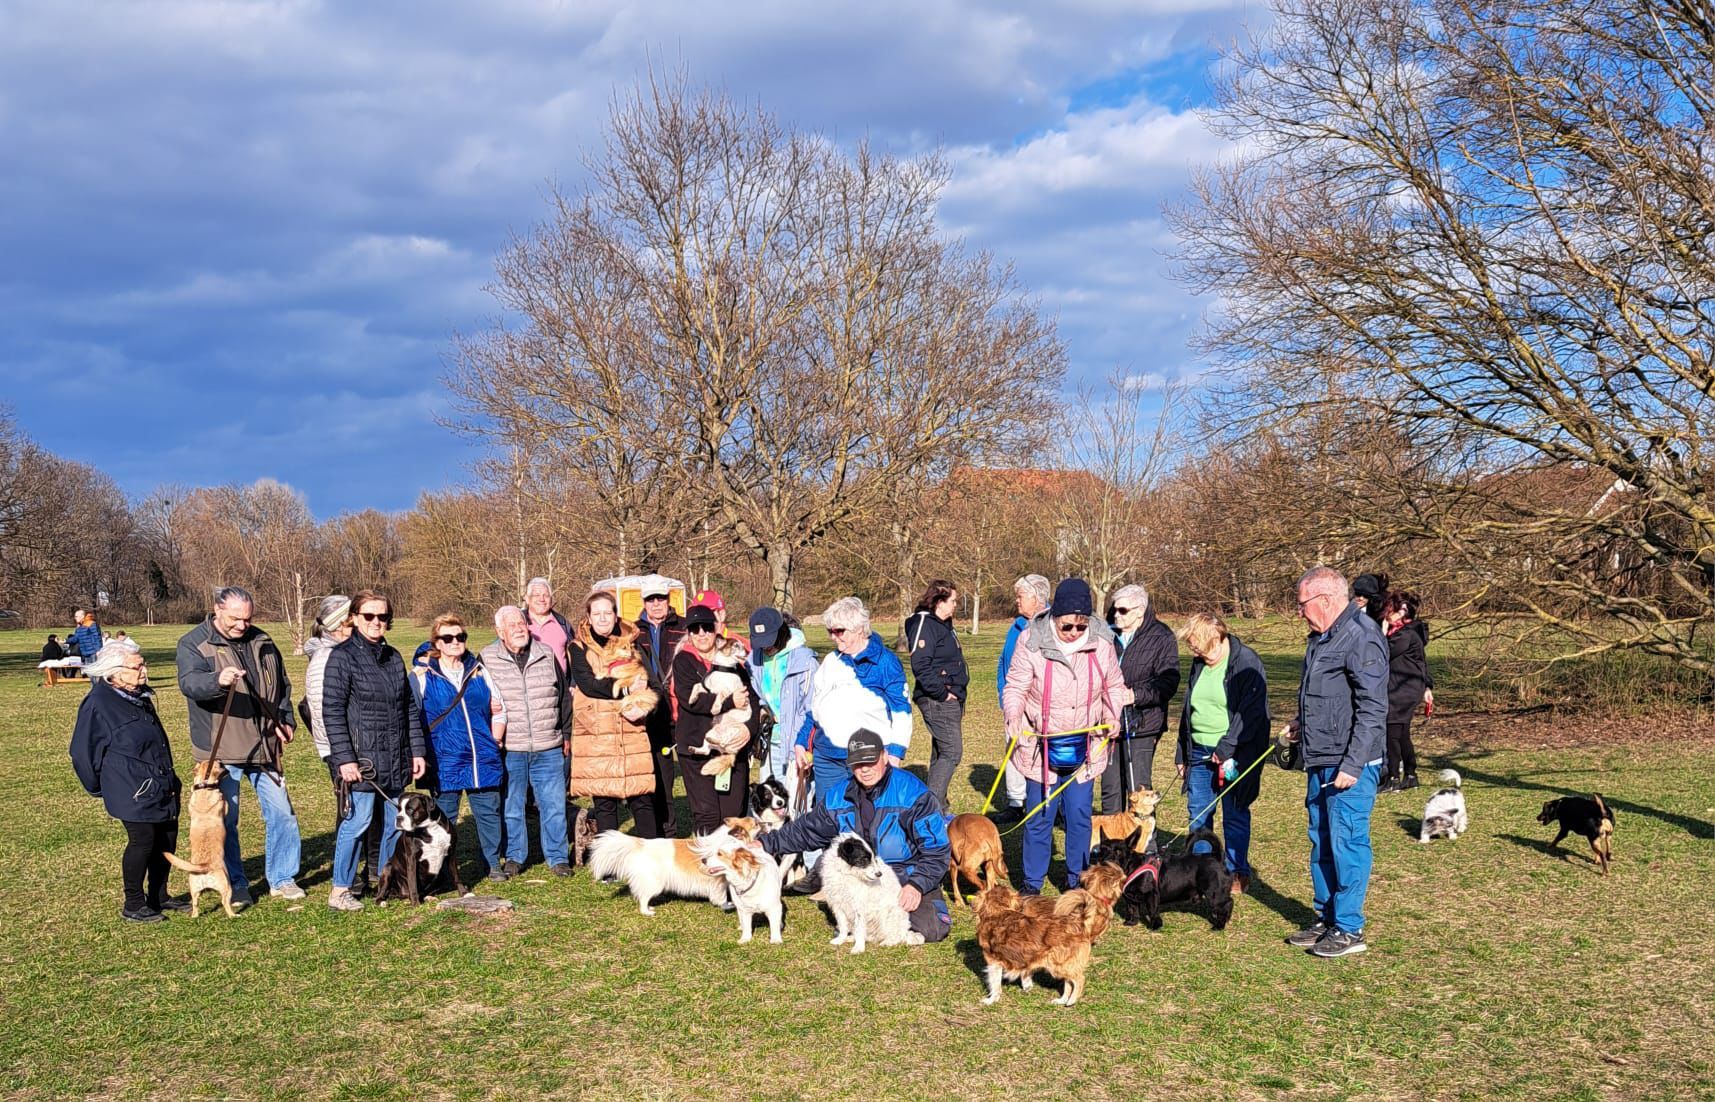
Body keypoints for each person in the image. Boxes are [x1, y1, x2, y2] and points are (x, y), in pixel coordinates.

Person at [1282, 566, 1388, 958]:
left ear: (1325, 600)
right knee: (1322, 840)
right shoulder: (1321, 638)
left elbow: (1373, 708)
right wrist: (1302, 722)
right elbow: (1326, 694)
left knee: (1347, 842)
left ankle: (1349, 928)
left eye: (1302, 604)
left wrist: (1353, 764)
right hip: (1319, 756)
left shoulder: (1362, 637)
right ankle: (1326, 918)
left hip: (1349, 763)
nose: (1299, 612)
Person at [758, 729, 952, 943]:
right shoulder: (838, 796)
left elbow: (937, 850)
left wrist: (917, 885)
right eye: (858, 764)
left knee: (932, 928)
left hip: (905, 875)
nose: (865, 769)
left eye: (871, 761)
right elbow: (806, 830)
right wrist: (765, 844)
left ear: (884, 756)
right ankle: (857, 922)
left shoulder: (914, 793)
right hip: (857, 878)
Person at [175, 585, 303, 905]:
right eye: (235, 619)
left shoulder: (263, 641)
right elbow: (189, 683)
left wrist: (284, 718)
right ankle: (235, 882)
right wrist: (216, 681)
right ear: (217, 609)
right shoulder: (193, 643)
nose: (242, 625)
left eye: (247, 619)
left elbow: (282, 687)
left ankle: (282, 878)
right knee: (226, 822)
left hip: (265, 746)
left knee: (283, 814)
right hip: (221, 751)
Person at [1002, 578, 1126, 893]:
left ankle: (1077, 880)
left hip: (1086, 746)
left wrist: (1112, 716)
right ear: (1055, 616)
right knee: (1040, 816)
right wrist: (1013, 716)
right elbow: (1015, 685)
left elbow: (1114, 685)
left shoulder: (1102, 642)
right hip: (1039, 746)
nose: (1073, 631)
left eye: (1080, 626)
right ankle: (1032, 883)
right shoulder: (1031, 640)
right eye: (1067, 626)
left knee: (1079, 815)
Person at [321, 589, 426, 910]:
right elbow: (332, 712)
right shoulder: (342, 657)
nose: (376, 621)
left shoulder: (393, 657)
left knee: (396, 824)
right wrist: (345, 759)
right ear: (354, 618)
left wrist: (416, 750)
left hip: (395, 756)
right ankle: (340, 889)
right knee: (358, 822)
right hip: (362, 760)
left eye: (383, 616)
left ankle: (385, 882)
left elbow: (408, 708)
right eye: (369, 615)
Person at [70, 645, 186, 923]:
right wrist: (100, 787)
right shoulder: (98, 703)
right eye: (137, 667)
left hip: (160, 781)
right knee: (142, 840)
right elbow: (82, 753)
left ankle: (159, 895)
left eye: (143, 664)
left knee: (167, 837)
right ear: (114, 673)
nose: (144, 670)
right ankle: (133, 903)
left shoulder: (139, 697)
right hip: (129, 787)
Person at [1174, 612, 1270, 893]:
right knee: (1198, 812)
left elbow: (1251, 713)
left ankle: (1237, 870)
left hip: (1234, 753)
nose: (1194, 650)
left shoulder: (1246, 662)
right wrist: (1182, 751)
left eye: (1197, 644)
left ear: (1215, 638)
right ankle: (1200, 870)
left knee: (1234, 812)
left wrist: (1227, 747)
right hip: (1199, 750)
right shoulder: (1199, 664)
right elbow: (1189, 708)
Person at [412, 613, 506, 881]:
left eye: (460, 636)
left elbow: (499, 708)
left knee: (488, 813)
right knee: (444, 817)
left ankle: (492, 863)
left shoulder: (479, 671)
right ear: (437, 643)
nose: (455, 642)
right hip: (444, 757)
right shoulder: (422, 676)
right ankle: (440, 868)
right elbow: (411, 716)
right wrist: (419, 753)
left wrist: (495, 739)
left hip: (481, 756)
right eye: (448, 638)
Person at [482, 604, 573, 875]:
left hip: (548, 744)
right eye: (512, 625)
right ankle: (515, 856)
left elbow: (563, 698)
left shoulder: (546, 653)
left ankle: (558, 857)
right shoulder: (486, 658)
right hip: (511, 748)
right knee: (512, 806)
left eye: (521, 623)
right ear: (500, 632)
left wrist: (567, 734)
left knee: (553, 805)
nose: (519, 629)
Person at [303, 595, 383, 895]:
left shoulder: (359, 651)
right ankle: (348, 877)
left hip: (368, 745)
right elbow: (323, 711)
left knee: (374, 810)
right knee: (351, 811)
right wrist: (340, 755)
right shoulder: (326, 658)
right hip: (344, 750)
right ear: (340, 625)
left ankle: (374, 867)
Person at [567, 590, 660, 837]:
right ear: (588, 617)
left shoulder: (632, 643)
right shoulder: (577, 648)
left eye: (607, 613)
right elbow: (588, 684)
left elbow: (651, 682)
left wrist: (644, 700)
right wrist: (626, 688)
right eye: (597, 614)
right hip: (598, 736)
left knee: (641, 798)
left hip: (632, 731)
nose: (602, 618)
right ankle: (609, 858)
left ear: (615, 615)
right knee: (605, 802)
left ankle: (648, 851)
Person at [807, 596, 913, 803]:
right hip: (828, 758)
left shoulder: (886, 662)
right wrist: (802, 742)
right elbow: (814, 707)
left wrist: (895, 753)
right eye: (829, 631)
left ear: (859, 629)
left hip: (868, 756)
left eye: (839, 631)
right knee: (827, 816)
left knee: (868, 815)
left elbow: (902, 711)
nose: (833, 637)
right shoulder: (830, 661)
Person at [673, 604, 762, 833]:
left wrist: (748, 730)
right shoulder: (683, 661)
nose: (701, 633)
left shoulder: (733, 665)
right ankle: (708, 856)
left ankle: (731, 855)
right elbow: (690, 701)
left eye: (707, 628)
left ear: (716, 630)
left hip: (732, 746)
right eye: (695, 629)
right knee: (707, 815)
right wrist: (730, 701)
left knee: (733, 814)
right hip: (697, 746)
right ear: (689, 633)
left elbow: (751, 699)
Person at [1106, 582, 1180, 808]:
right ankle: (1112, 830)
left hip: (1142, 723)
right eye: (1115, 609)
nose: (1116, 615)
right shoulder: (1107, 633)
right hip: (1108, 721)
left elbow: (1168, 681)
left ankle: (1145, 832)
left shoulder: (1162, 636)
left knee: (1138, 787)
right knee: (1110, 789)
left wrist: (1135, 695)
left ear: (1140, 611)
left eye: (1123, 610)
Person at [904, 579, 969, 810]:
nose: (955, 605)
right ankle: (930, 810)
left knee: (941, 750)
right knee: (952, 752)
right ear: (939, 601)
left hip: (952, 698)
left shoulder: (944, 624)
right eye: (953, 601)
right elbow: (921, 665)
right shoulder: (924, 624)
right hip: (937, 699)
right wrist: (942, 693)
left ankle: (937, 804)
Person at [747, 606, 817, 810]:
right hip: (770, 744)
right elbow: (755, 696)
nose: (765, 648)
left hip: (797, 743)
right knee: (769, 805)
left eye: (769, 641)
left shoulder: (805, 662)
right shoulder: (753, 660)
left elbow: (812, 706)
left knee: (796, 806)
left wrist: (805, 744)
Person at [994, 575, 1051, 820]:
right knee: (1014, 750)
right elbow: (1003, 662)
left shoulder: (1053, 625)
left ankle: (1050, 803)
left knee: (1045, 754)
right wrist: (1004, 695)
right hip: (1014, 705)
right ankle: (1015, 802)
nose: (1017, 601)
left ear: (1037, 598)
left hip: (1041, 707)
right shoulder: (1016, 626)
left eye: (1021, 596)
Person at [635, 583, 685, 836]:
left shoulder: (684, 626)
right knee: (660, 776)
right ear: (644, 602)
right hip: (651, 711)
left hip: (681, 708)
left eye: (661, 598)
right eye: (651, 599)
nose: (656, 604)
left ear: (668, 599)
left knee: (693, 773)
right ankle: (665, 831)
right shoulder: (634, 631)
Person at [1380, 589, 1434, 793]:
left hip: (1402, 690)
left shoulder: (1405, 635)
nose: (1386, 613)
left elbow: (1383, 653)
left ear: (1401, 612)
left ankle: (1393, 777)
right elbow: (1422, 662)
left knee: (1391, 732)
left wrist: (1382, 633)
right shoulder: (1411, 632)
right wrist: (1427, 686)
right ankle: (1410, 775)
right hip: (1406, 687)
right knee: (1402, 733)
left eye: (1390, 610)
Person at [524, 576, 572, 671]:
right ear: (527, 599)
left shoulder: (562, 623)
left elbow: (574, 655)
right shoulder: (518, 622)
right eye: (536, 595)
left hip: (560, 680)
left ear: (551, 599)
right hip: (528, 680)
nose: (541, 599)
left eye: (546, 595)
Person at [692, 588, 749, 654]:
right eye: (695, 614)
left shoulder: (743, 647)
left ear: (722, 615)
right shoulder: (687, 647)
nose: (701, 618)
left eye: (708, 613)